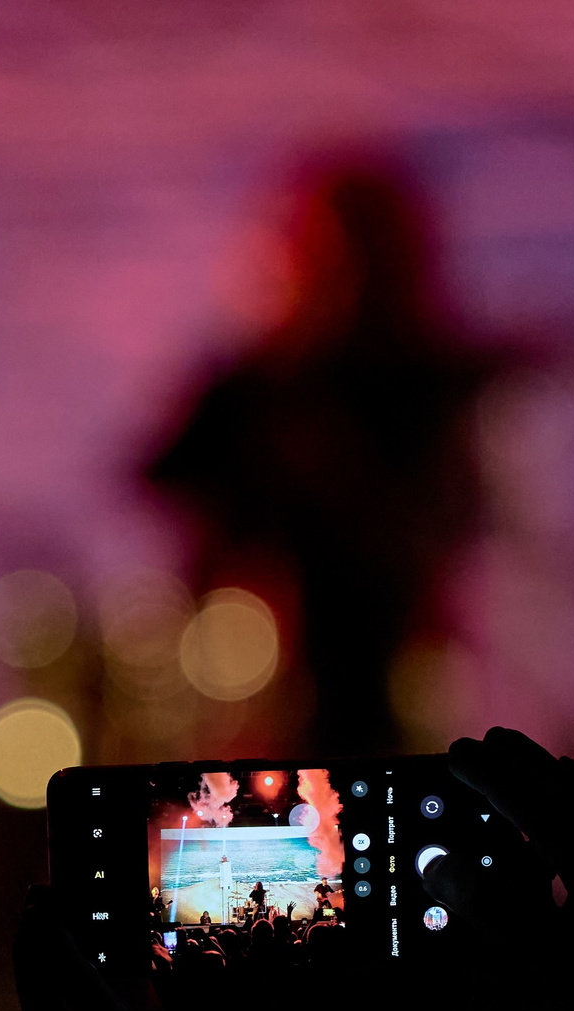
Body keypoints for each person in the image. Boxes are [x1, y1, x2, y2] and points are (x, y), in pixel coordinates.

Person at [145, 157, 525, 752]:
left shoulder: (432, 386)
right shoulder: (250, 391)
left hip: (408, 676)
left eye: (361, 256)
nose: (346, 275)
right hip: (260, 685)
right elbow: (163, 498)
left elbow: (469, 526)